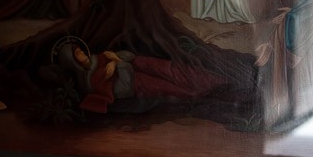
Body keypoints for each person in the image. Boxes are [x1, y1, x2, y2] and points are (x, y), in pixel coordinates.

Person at [55, 40, 226, 113]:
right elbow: (124, 87)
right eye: (77, 53)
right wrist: (118, 62)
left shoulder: (98, 57)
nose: (82, 53)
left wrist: (116, 59)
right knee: (166, 88)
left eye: (80, 50)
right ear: (73, 61)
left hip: (136, 65)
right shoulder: (92, 80)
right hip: (135, 82)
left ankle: (211, 81)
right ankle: (201, 94)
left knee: (170, 70)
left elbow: (128, 55)